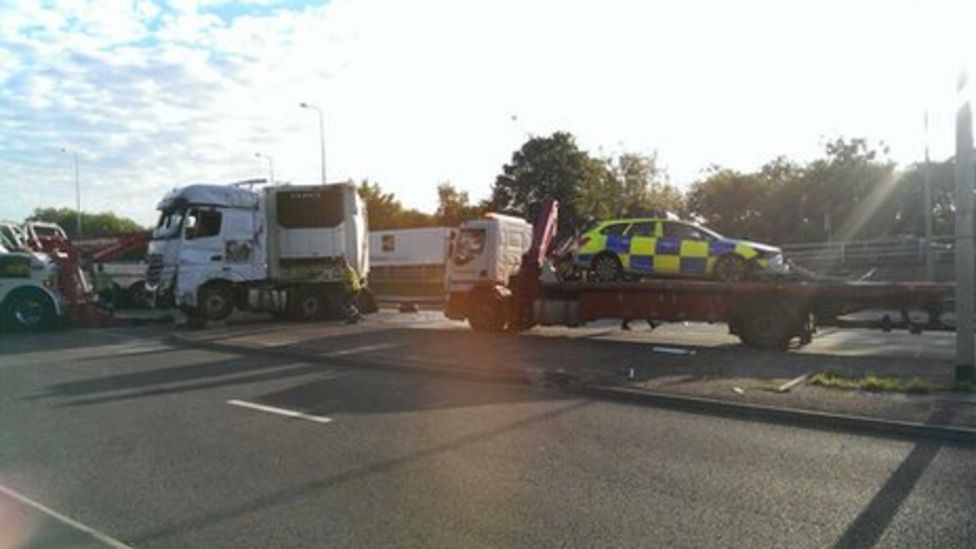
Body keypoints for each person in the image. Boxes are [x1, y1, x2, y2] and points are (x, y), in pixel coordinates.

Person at [340, 258, 362, 324]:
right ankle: (354, 316)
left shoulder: (348, 270)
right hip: (355, 288)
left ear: (343, 264)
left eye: (341, 264)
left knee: (346, 303)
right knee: (347, 303)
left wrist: (348, 288)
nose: (340, 265)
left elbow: (350, 280)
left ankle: (355, 315)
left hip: (353, 289)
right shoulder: (349, 269)